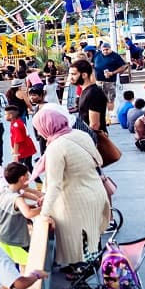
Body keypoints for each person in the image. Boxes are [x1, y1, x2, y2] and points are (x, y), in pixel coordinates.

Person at [31, 106, 110, 267]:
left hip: (76, 203)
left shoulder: (55, 147)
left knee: (80, 248)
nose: (39, 134)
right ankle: (92, 274)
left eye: (39, 129)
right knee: (92, 240)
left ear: (48, 126)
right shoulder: (80, 134)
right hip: (96, 193)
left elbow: (54, 185)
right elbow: (98, 160)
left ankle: (83, 281)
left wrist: (44, 213)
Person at [0, 162, 43, 267]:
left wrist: (35, 203)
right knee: (27, 266)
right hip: (16, 241)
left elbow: (22, 204)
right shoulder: (17, 199)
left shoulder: (4, 191)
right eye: (27, 175)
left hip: (3, 239)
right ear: (22, 178)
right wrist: (44, 208)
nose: (29, 177)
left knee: (10, 269)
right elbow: (28, 213)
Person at [68, 58, 106, 136]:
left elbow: (95, 125)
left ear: (84, 75)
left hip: (94, 139)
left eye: (74, 74)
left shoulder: (93, 93)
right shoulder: (85, 91)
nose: (70, 77)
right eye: (70, 74)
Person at [92, 42, 129, 111]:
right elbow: (92, 63)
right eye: (103, 50)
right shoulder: (97, 54)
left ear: (110, 49)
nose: (105, 51)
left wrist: (112, 73)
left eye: (107, 49)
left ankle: (110, 114)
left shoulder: (115, 56)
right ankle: (103, 115)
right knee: (99, 100)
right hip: (98, 81)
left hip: (110, 82)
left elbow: (123, 66)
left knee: (110, 99)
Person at [6, 105, 36, 172]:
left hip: (23, 150)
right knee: (28, 165)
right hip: (26, 148)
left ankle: (22, 180)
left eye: (6, 114)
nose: (4, 116)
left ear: (11, 116)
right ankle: (38, 181)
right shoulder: (16, 122)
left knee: (17, 168)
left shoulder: (16, 125)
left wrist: (15, 154)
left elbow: (17, 141)